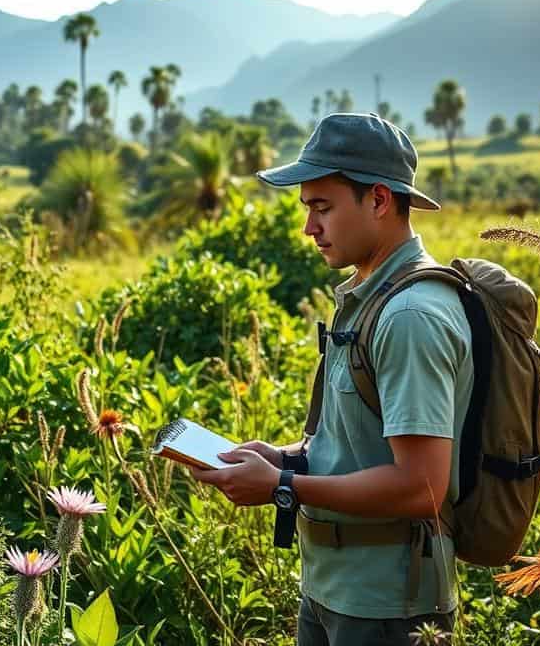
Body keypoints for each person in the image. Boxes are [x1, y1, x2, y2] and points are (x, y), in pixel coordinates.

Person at [191, 112, 470, 646]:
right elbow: (357, 445)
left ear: (380, 201)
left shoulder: (412, 315)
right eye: (307, 209)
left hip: (387, 605)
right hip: (331, 589)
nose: (309, 227)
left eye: (323, 207)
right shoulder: (369, 295)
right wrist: (285, 457)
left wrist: (281, 487)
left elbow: (422, 486)